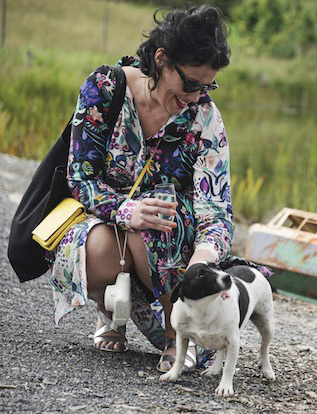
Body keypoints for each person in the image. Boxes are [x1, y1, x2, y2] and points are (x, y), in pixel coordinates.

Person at [47, 4, 246, 373]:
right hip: (109, 225)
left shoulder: (205, 118)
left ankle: (178, 334)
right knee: (98, 248)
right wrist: (126, 211)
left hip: (172, 236)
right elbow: (81, 178)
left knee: (159, 216)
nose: (196, 95)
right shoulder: (105, 89)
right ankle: (111, 311)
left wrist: (203, 258)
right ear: (161, 59)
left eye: (207, 86)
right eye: (190, 83)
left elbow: (216, 208)